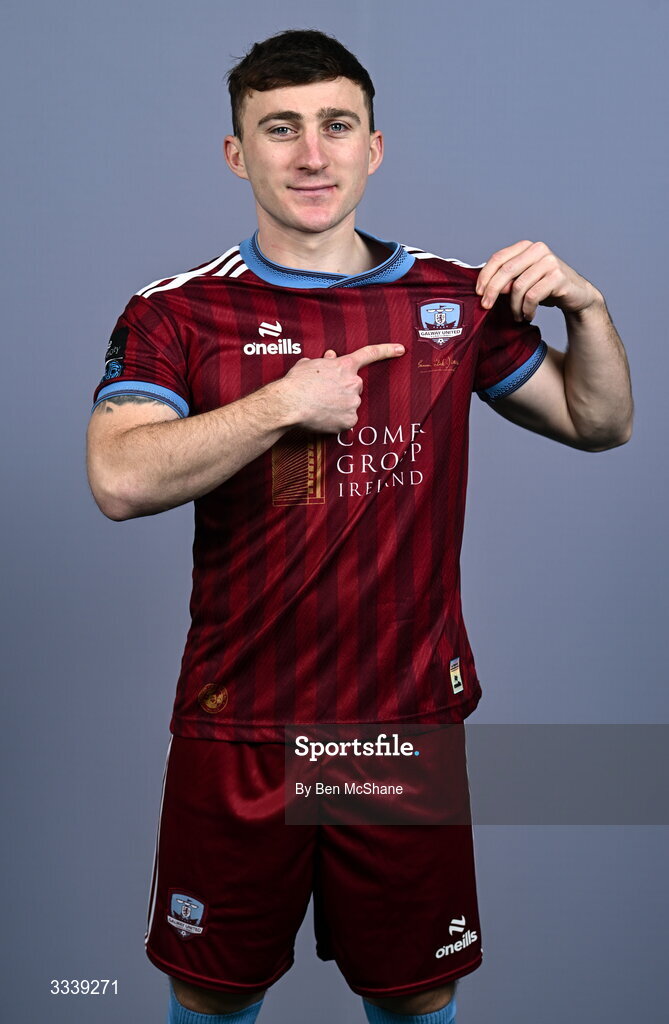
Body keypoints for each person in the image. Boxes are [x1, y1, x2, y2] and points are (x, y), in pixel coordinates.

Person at [86, 28, 633, 1024]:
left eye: (336, 126)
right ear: (235, 151)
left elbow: (601, 422)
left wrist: (588, 310)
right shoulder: (180, 314)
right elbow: (118, 479)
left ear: (373, 147)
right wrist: (278, 405)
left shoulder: (454, 301)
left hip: (398, 727)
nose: (310, 153)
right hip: (242, 720)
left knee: (418, 995)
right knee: (211, 996)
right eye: (279, 128)